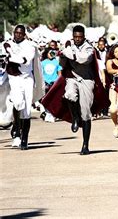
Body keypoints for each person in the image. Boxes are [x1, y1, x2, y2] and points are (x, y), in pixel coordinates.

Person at [43, 25, 109, 155]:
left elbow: (84, 59)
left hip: (87, 80)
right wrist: (61, 55)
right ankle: (74, 118)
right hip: (72, 78)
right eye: (75, 37)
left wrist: (70, 53)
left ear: (83, 36)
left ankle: (85, 145)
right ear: (73, 37)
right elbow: (62, 64)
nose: (77, 39)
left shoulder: (89, 47)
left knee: (86, 112)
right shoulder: (69, 47)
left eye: (80, 37)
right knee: (69, 95)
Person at [4, 25, 44, 149]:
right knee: (17, 103)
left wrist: (9, 57)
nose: (18, 35)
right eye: (16, 33)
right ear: (13, 33)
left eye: (21, 33)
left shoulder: (30, 46)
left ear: (24, 34)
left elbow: (25, 60)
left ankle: (24, 139)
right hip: (14, 78)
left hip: (27, 79)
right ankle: (16, 127)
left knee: (26, 111)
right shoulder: (7, 44)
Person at [40, 47, 62, 122]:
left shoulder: (57, 62)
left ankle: (53, 115)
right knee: (46, 100)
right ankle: (47, 114)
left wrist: (59, 82)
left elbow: (59, 73)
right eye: (50, 53)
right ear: (46, 54)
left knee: (53, 100)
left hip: (54, 83)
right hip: (45, 83)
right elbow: (41, 74)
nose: (51, 55)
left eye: (53, 53)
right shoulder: (43, 63)